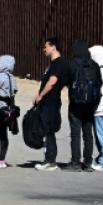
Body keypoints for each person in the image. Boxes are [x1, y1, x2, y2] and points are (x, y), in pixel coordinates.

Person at [33, 37, 68, 172]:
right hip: (49, 102)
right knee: (47, 130)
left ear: (53, 47)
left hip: (51, 102)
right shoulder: (53, 63)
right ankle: (49, 159)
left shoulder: (58, 64)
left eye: (46, 46)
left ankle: (50, 161)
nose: (44, 49)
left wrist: (41, 95)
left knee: (48, 131)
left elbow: (53, 81)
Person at [67, 40, 100, 172]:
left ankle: (75, 162)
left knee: (75, 134)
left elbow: (67, 80)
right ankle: (87, 163)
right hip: (90, 104)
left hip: (76, 103)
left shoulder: (72, 64)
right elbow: (100, 82)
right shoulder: (95, 65)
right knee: (88, 134)